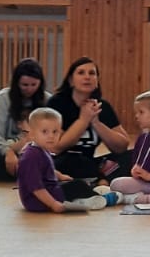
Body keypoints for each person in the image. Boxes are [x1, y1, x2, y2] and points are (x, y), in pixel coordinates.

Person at [46, 57, 129, 201]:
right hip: (62, 162)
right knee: (74, 160)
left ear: (97, 81)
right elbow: (56, 147)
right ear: (71, 80)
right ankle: (100, 182)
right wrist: (83, 120)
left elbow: (121, 147)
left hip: (91, 163)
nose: (87, 77)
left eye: (92, 73)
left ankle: (95, 182)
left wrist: (96, 122)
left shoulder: (102, 106)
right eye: (81, 73)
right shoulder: (57, 103)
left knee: (131, 156)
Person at [17, 108, 112, 213]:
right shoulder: (31, 156)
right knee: (78, 185)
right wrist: (53, 204)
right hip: (37, 201)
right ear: (32, 134)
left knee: (75, 183)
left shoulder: (40, 149)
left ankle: (91, 195)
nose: (51, 136)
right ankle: (102, 198)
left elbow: (44, 170)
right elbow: (36, 187)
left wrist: (60, 176)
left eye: (55, 132)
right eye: (44, 132)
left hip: (50, 191)